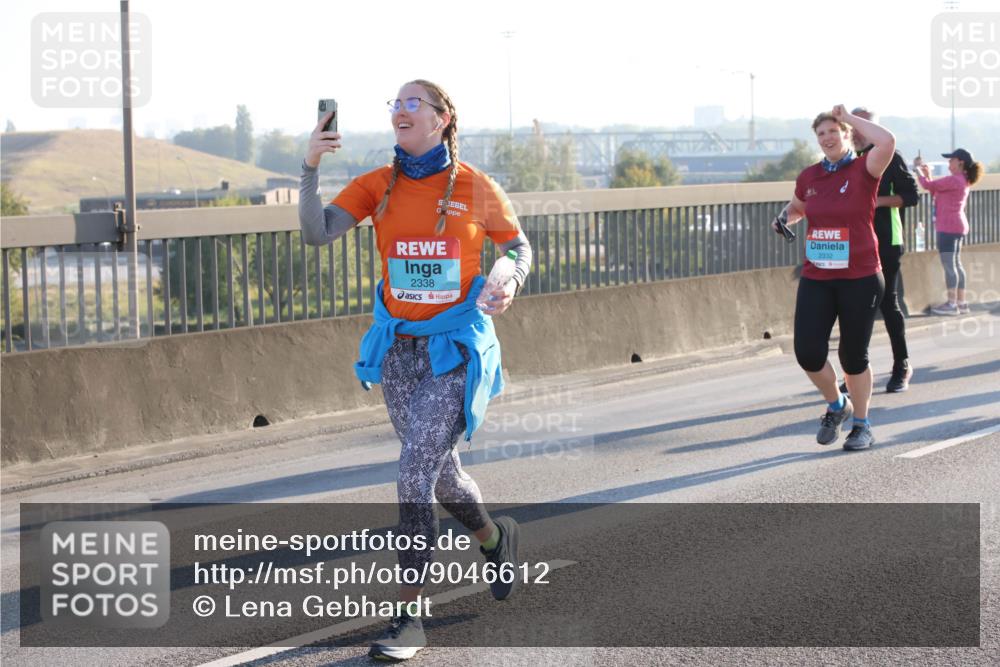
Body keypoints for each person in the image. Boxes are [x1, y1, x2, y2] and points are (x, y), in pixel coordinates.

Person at [298, 79, 533, 661]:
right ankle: (496, 538)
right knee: (441, 475)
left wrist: (509, 278)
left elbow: (519, 247)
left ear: (442, 117)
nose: (400, 111)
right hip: (400, 352)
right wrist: (308, 166)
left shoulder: (477, 187)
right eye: (394, 104)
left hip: (456, 350)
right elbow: (314, 232)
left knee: (411, 474)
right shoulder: (378, 185)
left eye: (412, 103)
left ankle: (408, 617)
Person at [771, 105, 895, 451]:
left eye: (833, 131)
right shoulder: (810, 176)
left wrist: (850, 117)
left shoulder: (863, 168)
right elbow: (797, 208)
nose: (826, 137)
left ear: (846, 134)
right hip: (818, 275)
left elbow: (887, 140)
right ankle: (838, 404)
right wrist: (783, 218)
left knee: (853, 357)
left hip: (861, 276)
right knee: (808, 352)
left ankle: (862, 424)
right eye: (821, 133)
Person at [915, 148, 983, 315]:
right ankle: (961, 303)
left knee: (949, 265)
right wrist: (928, 174)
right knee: (956, 264)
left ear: (960, 162)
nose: (948, 162)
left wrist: (917, 170)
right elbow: (935, 189)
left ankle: (951, 304)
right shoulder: (962, 180)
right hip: (957, 225)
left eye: (951, 160)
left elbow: (927, 186)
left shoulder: (954, 180)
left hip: (948, 226)